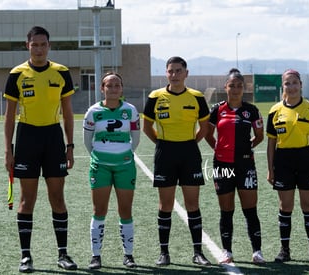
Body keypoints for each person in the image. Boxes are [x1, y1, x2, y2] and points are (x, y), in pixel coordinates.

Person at [3, 26, 77, 273]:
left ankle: (63, 255)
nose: (39, 48)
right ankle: (26, 256)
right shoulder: (17, 74)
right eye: (34, 44)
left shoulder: (61, 73)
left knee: (57, 198)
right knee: (27, 199)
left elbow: (67, 112)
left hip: (53, 138)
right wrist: (8, 150)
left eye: (43, 44)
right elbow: (9, 115)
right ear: (28, 46)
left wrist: (70, 146)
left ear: (49, 46)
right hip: (27, 138)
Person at [143, 56, 211, 266]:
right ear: (166, 73)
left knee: (192, 203)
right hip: (165, 152)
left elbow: (205, 128)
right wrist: (163, 144)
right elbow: (147, 128)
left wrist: (190, 143)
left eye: (178, 71)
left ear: (186, 73)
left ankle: (198, 253)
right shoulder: (155, 96)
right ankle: (164, 253)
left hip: (189, 152)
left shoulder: (197, 97)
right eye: (170, 71)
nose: (174, 75)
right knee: (166, 204)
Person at [205, 68, 265, 265]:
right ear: (226, 87)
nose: (236, 89)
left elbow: (259, 136)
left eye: (240, 86)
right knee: (226, 210)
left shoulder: (252, 110)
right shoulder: (217, 109)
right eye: (232, 85)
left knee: (250, 209)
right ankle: (227, 251)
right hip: (222, 165)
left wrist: (246, 149)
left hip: (245, 165)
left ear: (244, 88)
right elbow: (207, 134)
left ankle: (257, 252)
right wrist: (219, 149)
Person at [266, 69, 309, 263]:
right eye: (287, 83)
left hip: (307, 159)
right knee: (286, 206)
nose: (291, 87)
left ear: (301, 84)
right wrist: (270, 168)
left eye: (294, 83)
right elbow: (271, 144)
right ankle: (284, 250)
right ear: (282, 86)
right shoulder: (274, 111)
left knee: (308, 206)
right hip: (283, 161)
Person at [83, 72, 140, 269]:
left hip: (125, 166)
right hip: (101, 166)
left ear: (121, 88)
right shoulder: (93, 112)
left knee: (125, 210)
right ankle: (96, 256)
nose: (113, 88)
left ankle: (129, 255)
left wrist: (123, 154)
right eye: (109, 85)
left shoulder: (130, 111)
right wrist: (101, 156)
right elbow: (87, 142)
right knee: (99, 210)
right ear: (102, 89)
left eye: (117, 85)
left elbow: (135, 139)